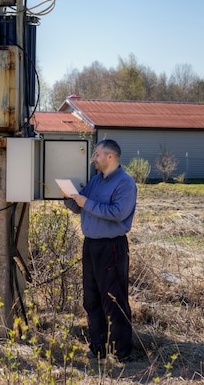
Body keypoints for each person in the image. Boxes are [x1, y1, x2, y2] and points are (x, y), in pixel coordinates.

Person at [61, 139, 137, 362]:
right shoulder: (95, 181)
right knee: (91, 298)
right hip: (91, 245)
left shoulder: (125, 183)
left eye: (97, 154)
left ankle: (121, 353)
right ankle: (98, 348)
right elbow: (79, 207)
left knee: (113, 299)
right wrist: (68, 197)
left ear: (110, 157)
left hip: (111, 246)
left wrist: (86, 203)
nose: (93, 158)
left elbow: (118, 213)